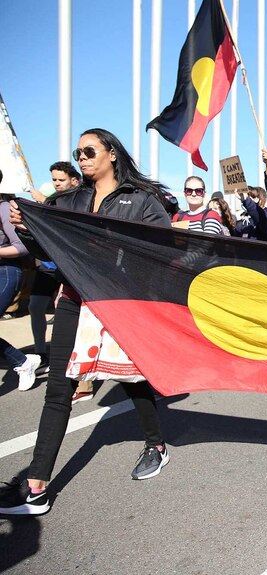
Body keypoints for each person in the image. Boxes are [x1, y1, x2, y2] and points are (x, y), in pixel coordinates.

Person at [0, 128, 174, 516]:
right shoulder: (70, 200)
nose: (81, 157)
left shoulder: (141, 201)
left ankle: (156, 445)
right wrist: (29, 229)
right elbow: (46, 252)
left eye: (89, 150)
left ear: (111, 154)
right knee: (58, 391)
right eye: (77, 152)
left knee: (132, 381)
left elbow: (164, 252)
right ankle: (36, 487)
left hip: (118, 305)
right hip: (74, 300)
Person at [29, 162, 81, 379]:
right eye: (54, 180)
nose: (57, 184)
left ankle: (74, 364)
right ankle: (41, 352)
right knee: (35, 306)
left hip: (67, 270)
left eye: (61, 180)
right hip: (47, 267)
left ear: (74, 181)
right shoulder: (50, 199)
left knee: (66, 314)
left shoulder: (80, 202)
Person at [0, 179, 41, 391]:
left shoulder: (5, 208)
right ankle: (23, 362)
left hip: (5, 273)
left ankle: (22, 363)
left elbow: (21, 247)